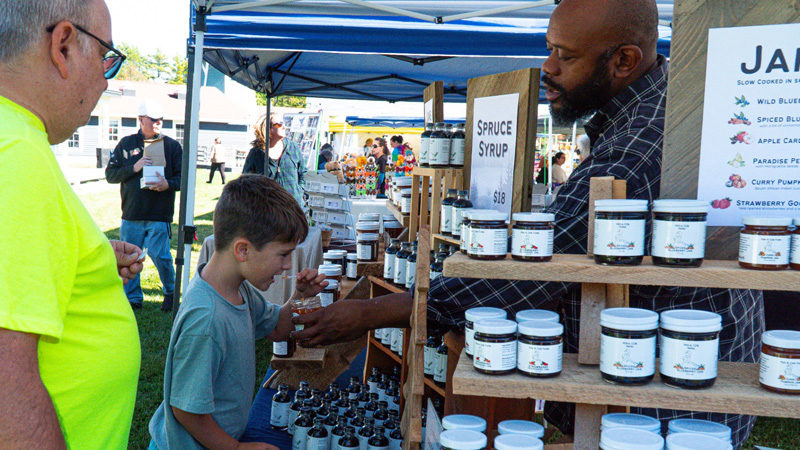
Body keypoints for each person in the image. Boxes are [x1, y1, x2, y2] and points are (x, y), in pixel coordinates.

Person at [291, 0, 762, 447]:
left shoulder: (637, 148)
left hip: (665, 407)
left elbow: (532, 272)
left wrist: (371, 313)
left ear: (623, 60)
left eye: (566, 55)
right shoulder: (651, 111)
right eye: (549, 47)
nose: (549, 67)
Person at [0, 0, 143, 448]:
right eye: (105, 57)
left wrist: (92, 259)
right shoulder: (18, 155)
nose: (105, 79)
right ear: (62, 46)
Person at [148, 175, 326, 450]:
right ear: (242, 250)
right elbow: (187, 411)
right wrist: (235, 448)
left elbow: (278, 326)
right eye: (283, 254)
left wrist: (299, 296)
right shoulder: (206, 319)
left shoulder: (238, 289)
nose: (289, 265)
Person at [106, 98, 182, 311]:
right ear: (141, 119)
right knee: (130, 257)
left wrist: (167, 184)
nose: (158, 123)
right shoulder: (127, 144)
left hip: (159, 214)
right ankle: (133, 299)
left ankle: (170, 292)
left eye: (161, 119)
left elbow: (183, 179)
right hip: (131, 213)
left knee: (162, 255)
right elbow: (110, 174)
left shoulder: (172, 146)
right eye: (153, 119)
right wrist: (135, 167)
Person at [243, 114, 307, 206]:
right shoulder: (256, 153)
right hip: (269, 211)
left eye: (284, 123)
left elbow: (303, 173)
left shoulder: (293, 148)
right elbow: (246, 182)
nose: (284, 127)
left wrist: (299, 191)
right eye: (279, 124)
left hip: (294, 209)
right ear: (268, 129)